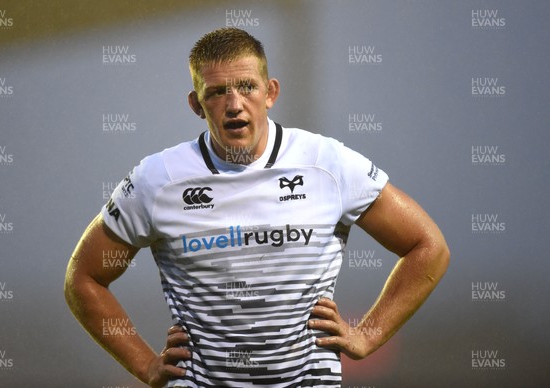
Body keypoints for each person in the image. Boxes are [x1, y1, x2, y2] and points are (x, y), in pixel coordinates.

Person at [64, 27, 450, 387]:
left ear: (270, 92)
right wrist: (144, 363)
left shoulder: (327, 164)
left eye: (247, 87)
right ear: (196, 104)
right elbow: (84, 279)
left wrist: (368, 334)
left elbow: (427, 247)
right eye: (216, 92)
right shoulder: (158, 179)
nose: (234, 104)